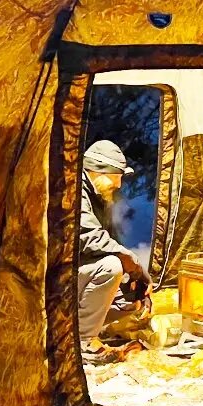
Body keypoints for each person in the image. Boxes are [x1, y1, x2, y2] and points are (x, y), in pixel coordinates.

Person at [77, 139, 152, 364]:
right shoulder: (74, 189)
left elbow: (109, 240)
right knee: (112, 267)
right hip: (55, 277)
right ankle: (81, 342)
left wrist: (133, 280)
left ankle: (74, 330)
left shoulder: (99, 196)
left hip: (77, 275)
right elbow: (88, 237)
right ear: (98, 171)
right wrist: (131, 262)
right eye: (116, 176)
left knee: (128, 302)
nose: (119, 185)